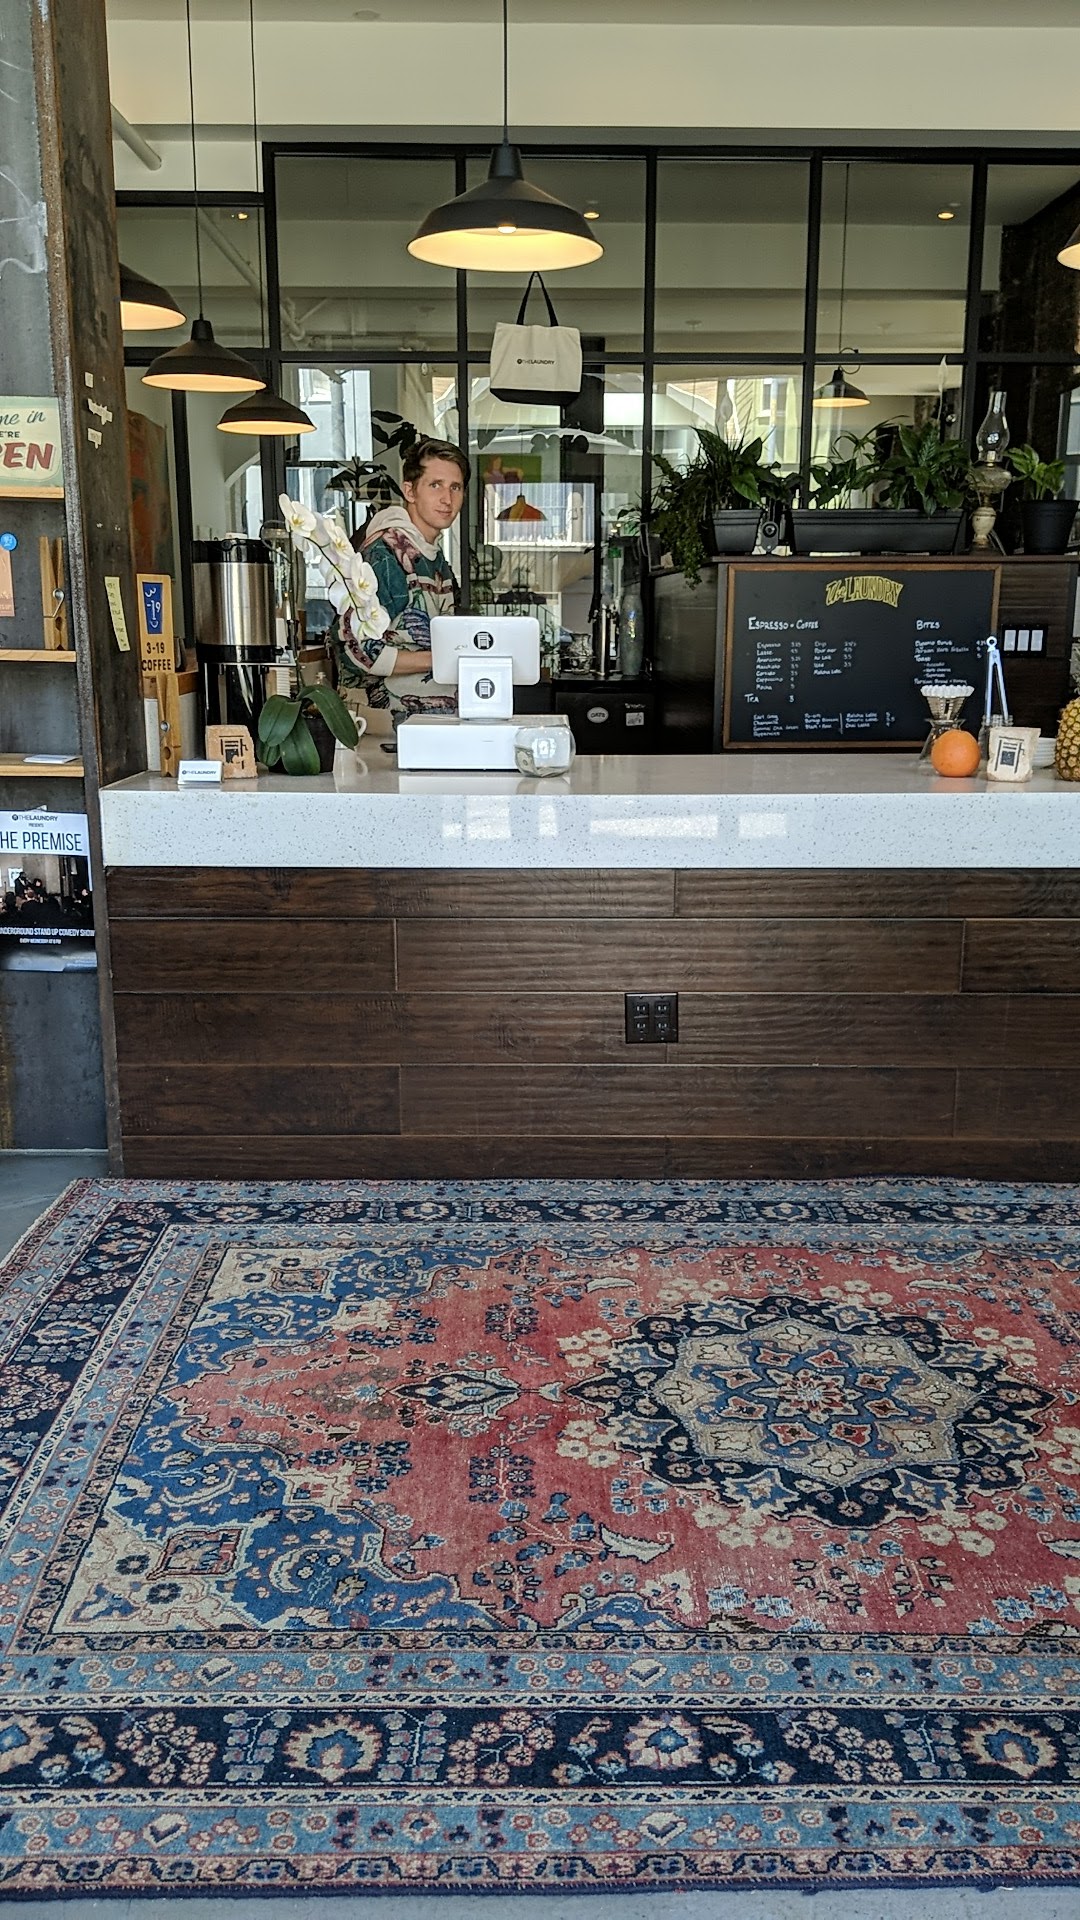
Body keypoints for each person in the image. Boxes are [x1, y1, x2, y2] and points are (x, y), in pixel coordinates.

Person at [338, 437, 469, 722]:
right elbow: (357, 650)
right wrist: (448, 658)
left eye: (455, 487)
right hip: (386, 724)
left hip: (429, 721)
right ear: (410, 491)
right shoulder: (387, 556)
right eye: (435, 485)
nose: (447, 499)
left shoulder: (432, 555)